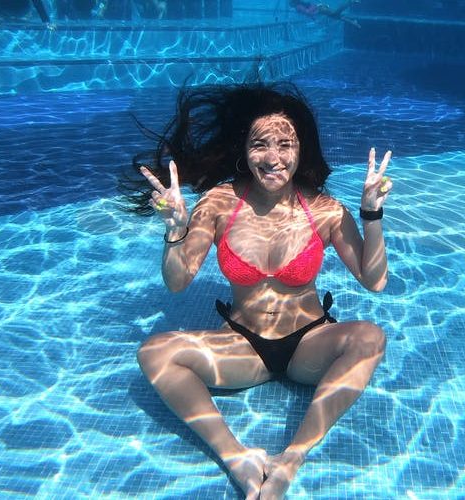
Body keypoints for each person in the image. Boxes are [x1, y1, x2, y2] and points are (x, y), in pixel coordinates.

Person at [121, 82, 393, 499]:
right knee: (154, 353)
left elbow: (374, 281)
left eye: (285, 144)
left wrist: (371, 213)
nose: (272, 158)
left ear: (301, 150)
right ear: (244, 150)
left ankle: (291, 459)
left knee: (370, 337)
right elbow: (178, 282)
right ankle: (236, 458)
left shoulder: (324, 210)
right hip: (242, 346)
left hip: (309, 343)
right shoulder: (219, 203)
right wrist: (175, 229)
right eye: (259, 144)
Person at [289, 0, 360, 28]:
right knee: (337, 16)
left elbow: (308, 12)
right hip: (321, 9)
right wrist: (314, 19)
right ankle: (353, 22)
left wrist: (315, 13)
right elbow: (309, 12)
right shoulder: (300, 5)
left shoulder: (298, 7)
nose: (289, 4)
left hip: (321, 9)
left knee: (336, 13)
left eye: (290, 3)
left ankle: (349, 2)